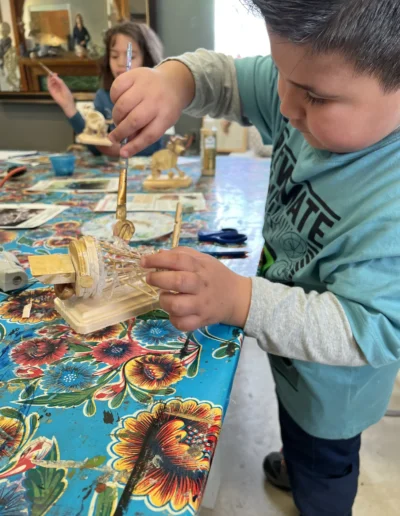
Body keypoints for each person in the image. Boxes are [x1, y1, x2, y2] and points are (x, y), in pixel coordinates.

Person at [109, 1, 400, 514]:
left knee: (323, 459)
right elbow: (230, 77)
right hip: (291, 358)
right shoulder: (308, 81)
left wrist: (240, 298)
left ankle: (315, 489)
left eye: (314, 95)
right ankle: (295, 458)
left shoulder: (390, 200)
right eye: (282, 72)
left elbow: (367, 329)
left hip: (334, 393)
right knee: (293, 416)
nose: (285, 105)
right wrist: (175, 81)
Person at [48, 21, 163, 157]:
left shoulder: (153, 97)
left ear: (146, 60)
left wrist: (117, 149)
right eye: (114, 56)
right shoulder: (103, 96)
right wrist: (69, 107)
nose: (120, 63)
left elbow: (155, 148)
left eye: (130, 57)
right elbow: (94, 146)